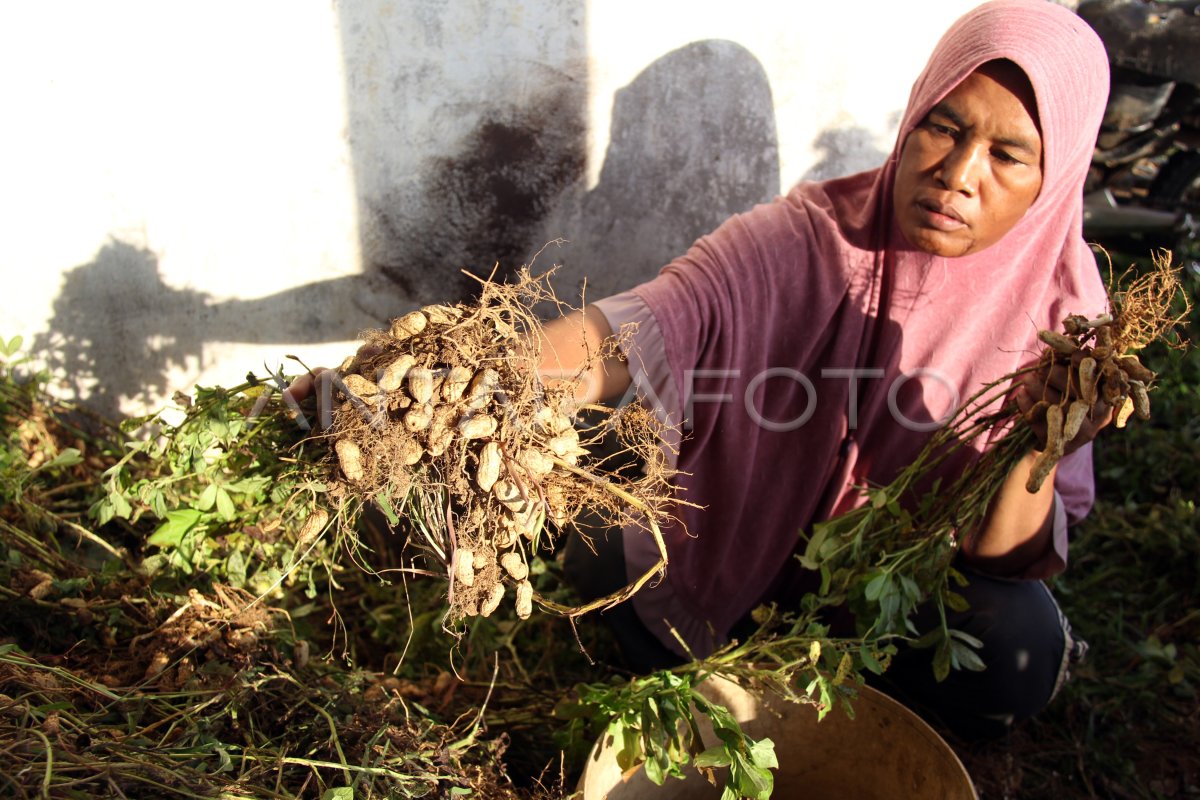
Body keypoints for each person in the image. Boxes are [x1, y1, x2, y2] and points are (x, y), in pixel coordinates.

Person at [536, 0, 1113, 740]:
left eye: (1008, 157)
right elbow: (654, 319)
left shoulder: (1067, 322)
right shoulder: (815, 233)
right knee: (596, 535)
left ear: (1054, 179)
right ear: (913, 118)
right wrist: (474, 371)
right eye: (945, 127)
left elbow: (999, 557)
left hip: (892, 595)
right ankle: (736, 662)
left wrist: (1038, 445)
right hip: (741, 546)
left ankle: (858, 695)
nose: (959, 175)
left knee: (1013, 650)